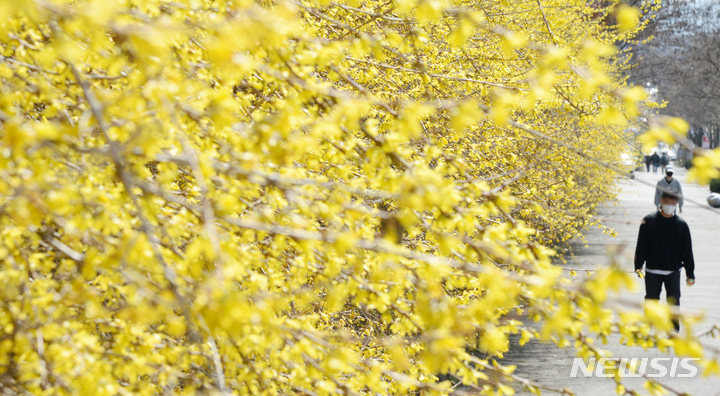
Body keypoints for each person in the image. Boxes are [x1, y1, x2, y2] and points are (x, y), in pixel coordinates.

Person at [634, 191, 695, 332]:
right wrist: (638, 265)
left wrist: (690, 273)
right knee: (651, 301)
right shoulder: (649, 221)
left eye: (673, 204)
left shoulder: (681, 225)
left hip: (673, 270)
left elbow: (687, 251)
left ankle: (673, 331)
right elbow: (641, 246)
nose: (670, 206)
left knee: (673, 302)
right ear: (661, 201)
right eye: (668, 202)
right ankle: (648, 328)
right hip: (652, 269)